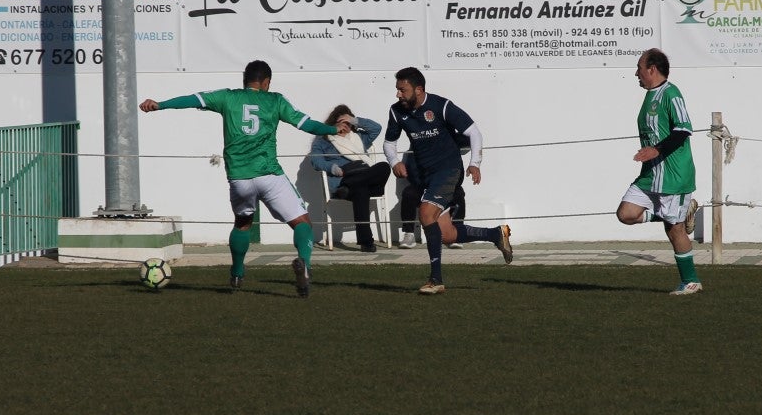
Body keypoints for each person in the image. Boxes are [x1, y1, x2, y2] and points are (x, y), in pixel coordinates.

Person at [139, 60, 338, 298]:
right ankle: (304, 264)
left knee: (243, 223)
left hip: (239, 179)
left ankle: (237, 272)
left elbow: (193, 99)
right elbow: (307, 125)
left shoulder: (227, 97)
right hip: (269, 174)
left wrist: (160, 105)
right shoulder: (275, 100)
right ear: (266, 82)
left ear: (244, 80)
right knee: (302, 223)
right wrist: (334, 130)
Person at [383, 66, 512, 294]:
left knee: (425, 213)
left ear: (419, 89)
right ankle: (496, 234)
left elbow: (474, 132)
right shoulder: (396, 112)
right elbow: (389, 142)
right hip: (425, 176)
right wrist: (394, 162)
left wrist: (475, 163)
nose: (398, 95)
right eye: (397, 90)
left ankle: (436, 280)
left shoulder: (440, 106)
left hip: (448, 170)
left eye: (402, 90)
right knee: (447, 234)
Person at [615, 48, 703, 295]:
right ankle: (678, 213)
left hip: (673, 175)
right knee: (626, 213)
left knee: (674, 229)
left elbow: (684, 129)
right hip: (650, 174)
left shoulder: (671, 93)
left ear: (651, 69)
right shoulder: (649, 95)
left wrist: (656, 150)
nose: (636, 73)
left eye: (639, 68)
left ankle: (691, 281)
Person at [309, 104, 393, 253]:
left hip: (360, 180)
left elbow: (377, 128)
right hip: (344, 179)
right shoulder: (325, 140)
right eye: (342, 122)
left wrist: (356, 121)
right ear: (334, 123)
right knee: (361, 190)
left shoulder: (358, 138)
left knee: (384, 166)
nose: (345, 126)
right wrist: (333, 168)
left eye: (348, 122)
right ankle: (366, 243)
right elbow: (315, 160)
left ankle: (352, 184)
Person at [397, 149, 466, 249]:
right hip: (424, 188)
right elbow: (412, 173)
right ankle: (409, 233)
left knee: (458, 193)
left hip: (445, 187)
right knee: (409, 193)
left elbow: (459, 174)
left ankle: (457, 233)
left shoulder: (450, 148)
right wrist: (429, 186)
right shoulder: (415, 148)